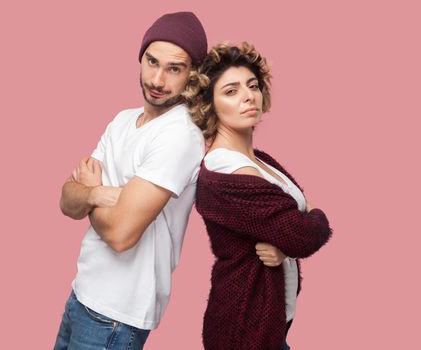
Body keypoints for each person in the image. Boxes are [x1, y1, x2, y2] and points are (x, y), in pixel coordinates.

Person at [53, 12, 207, 350]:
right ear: (140, 59)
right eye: (152, 62)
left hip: (117, 316)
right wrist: (103, 193)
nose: (158, 79)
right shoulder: (122, 121)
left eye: (174, 69)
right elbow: (67, 199)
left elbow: (122, 235)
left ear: (192, 76)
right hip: (82, 293)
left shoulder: (179, 135)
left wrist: (89, 195)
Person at [185, 42, 333, 349]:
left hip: (269, 326)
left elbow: (289, 230)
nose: (248, 96)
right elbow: (301, 233)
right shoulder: (225, 169)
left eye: (252, 85)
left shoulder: (260, 161)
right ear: (210, 105)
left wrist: (285, 247)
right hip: (242, 329)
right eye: (231, 91)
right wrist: (314, 218)